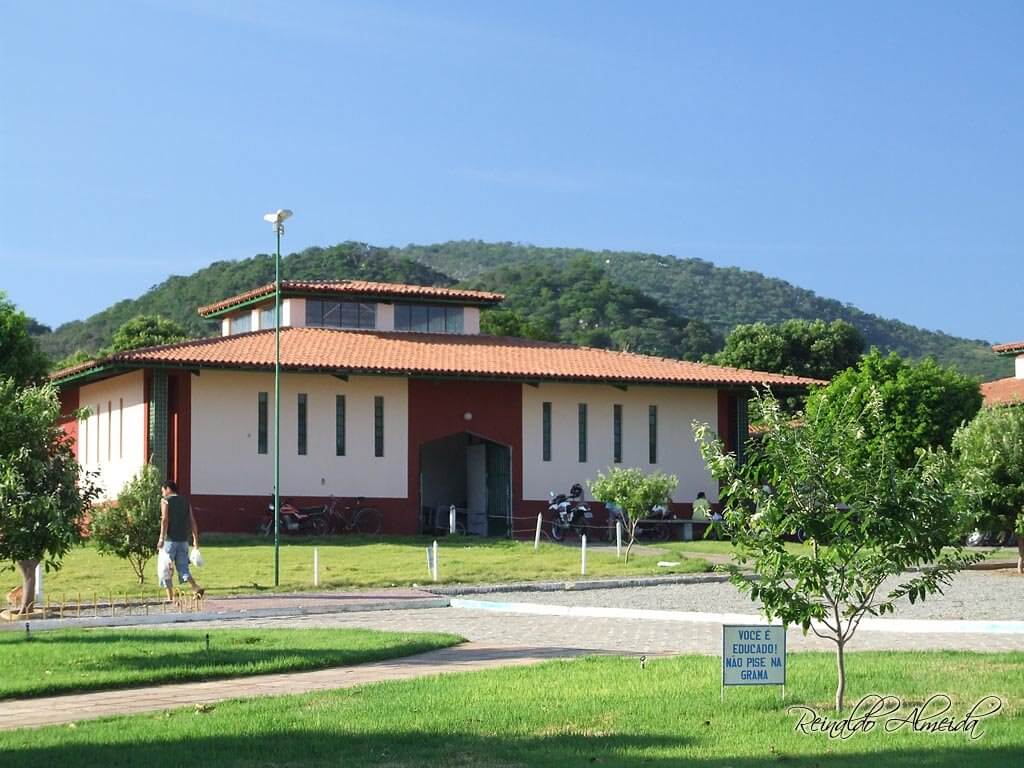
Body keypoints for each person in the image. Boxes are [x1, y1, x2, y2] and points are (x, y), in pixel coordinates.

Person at [157, 480, 204, 602]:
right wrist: (195, 540)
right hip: (183, 541)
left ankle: (170, 597)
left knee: (165, 568)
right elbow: (192, 521)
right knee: (183, 568)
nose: (162, 494)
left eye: (163, 490)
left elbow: (165, 520)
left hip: (170, 540)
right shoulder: (185, 501)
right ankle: (195, 587)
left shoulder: (165, 501)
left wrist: (161, 538)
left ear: (168, 489)